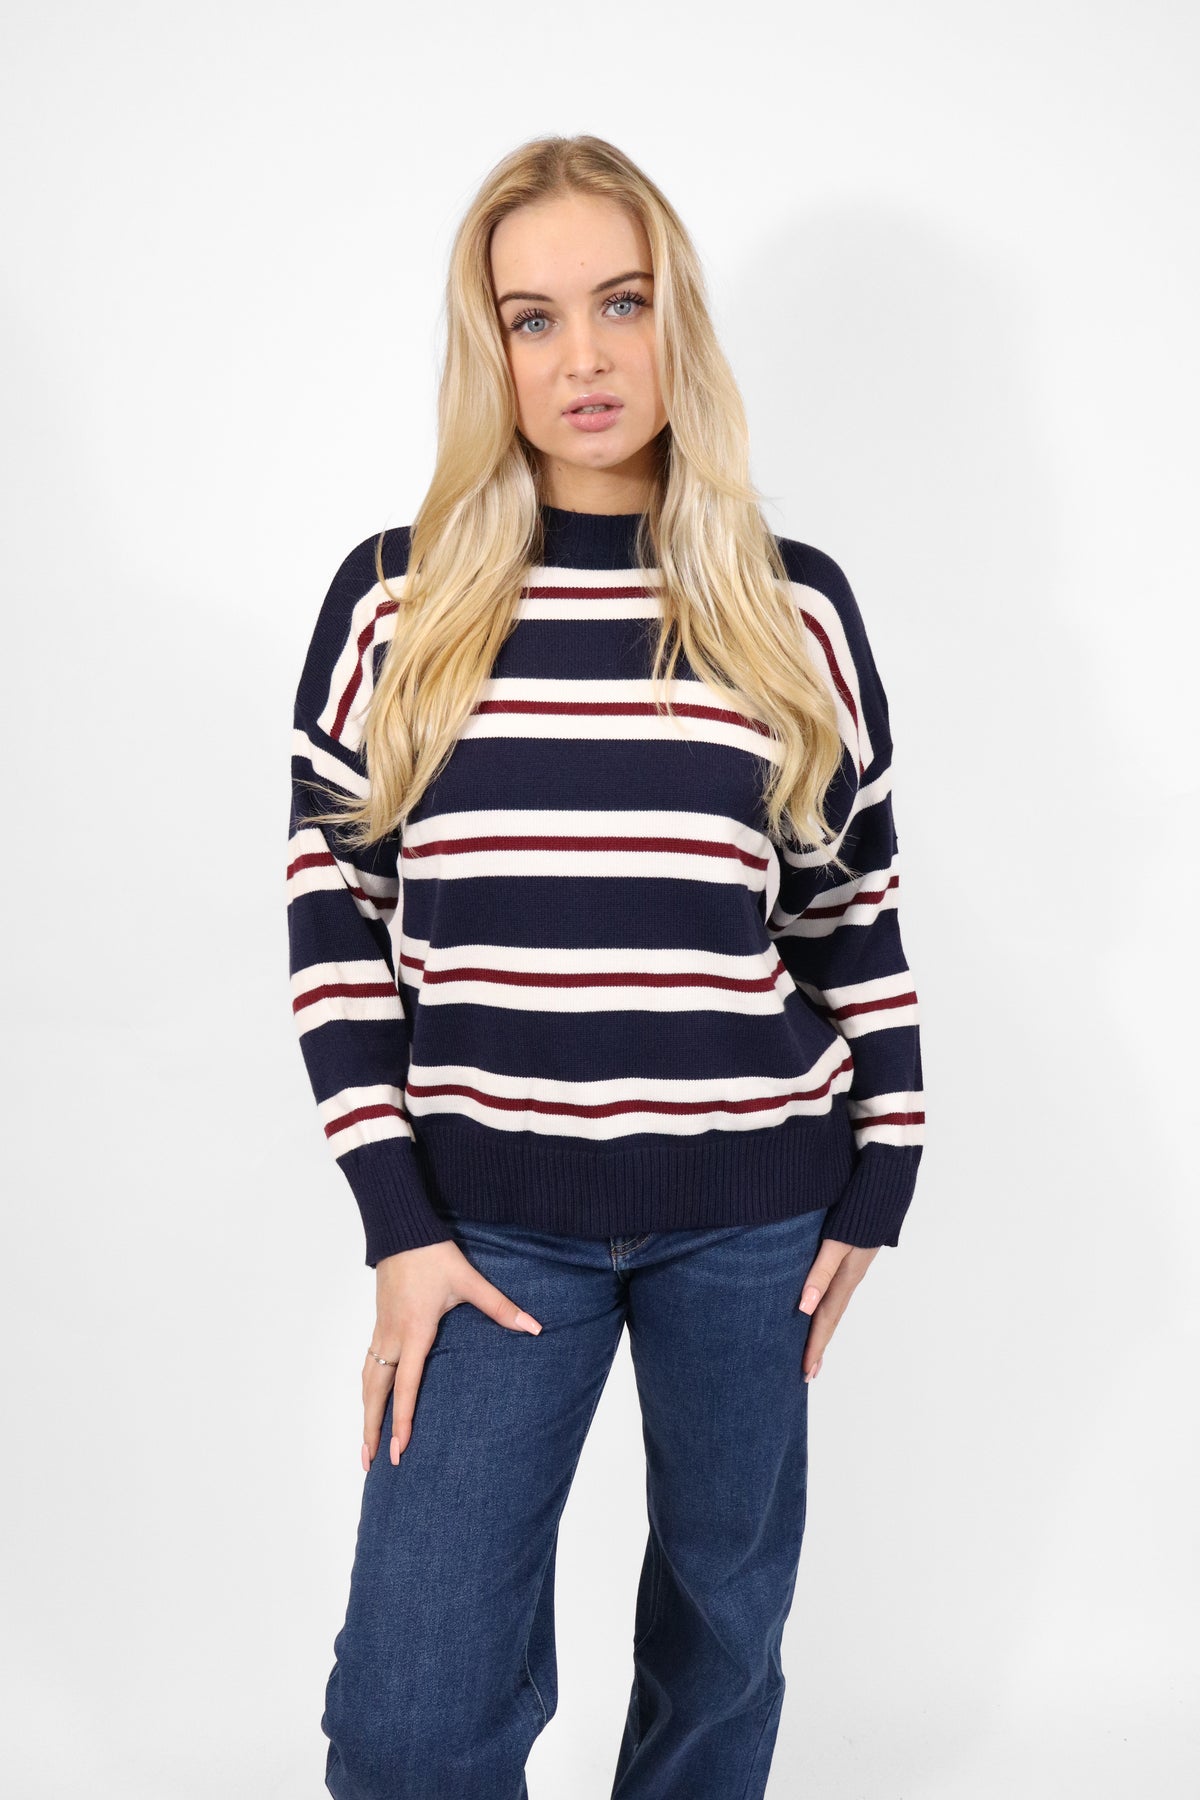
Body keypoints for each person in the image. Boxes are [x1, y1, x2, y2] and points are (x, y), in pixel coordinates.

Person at [286, 133, 925, 1800]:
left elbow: (851, 907)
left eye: (622, 304)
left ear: (675, 321)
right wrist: (397, 1224)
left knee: (722, 1643)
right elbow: (333, 921)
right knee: (410, 1719)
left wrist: (883, 1172)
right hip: (485, 1231)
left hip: (757, 1213)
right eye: (535, 317)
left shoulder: (790, 609)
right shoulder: (396, 605)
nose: (584, 357)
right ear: (487, 347)